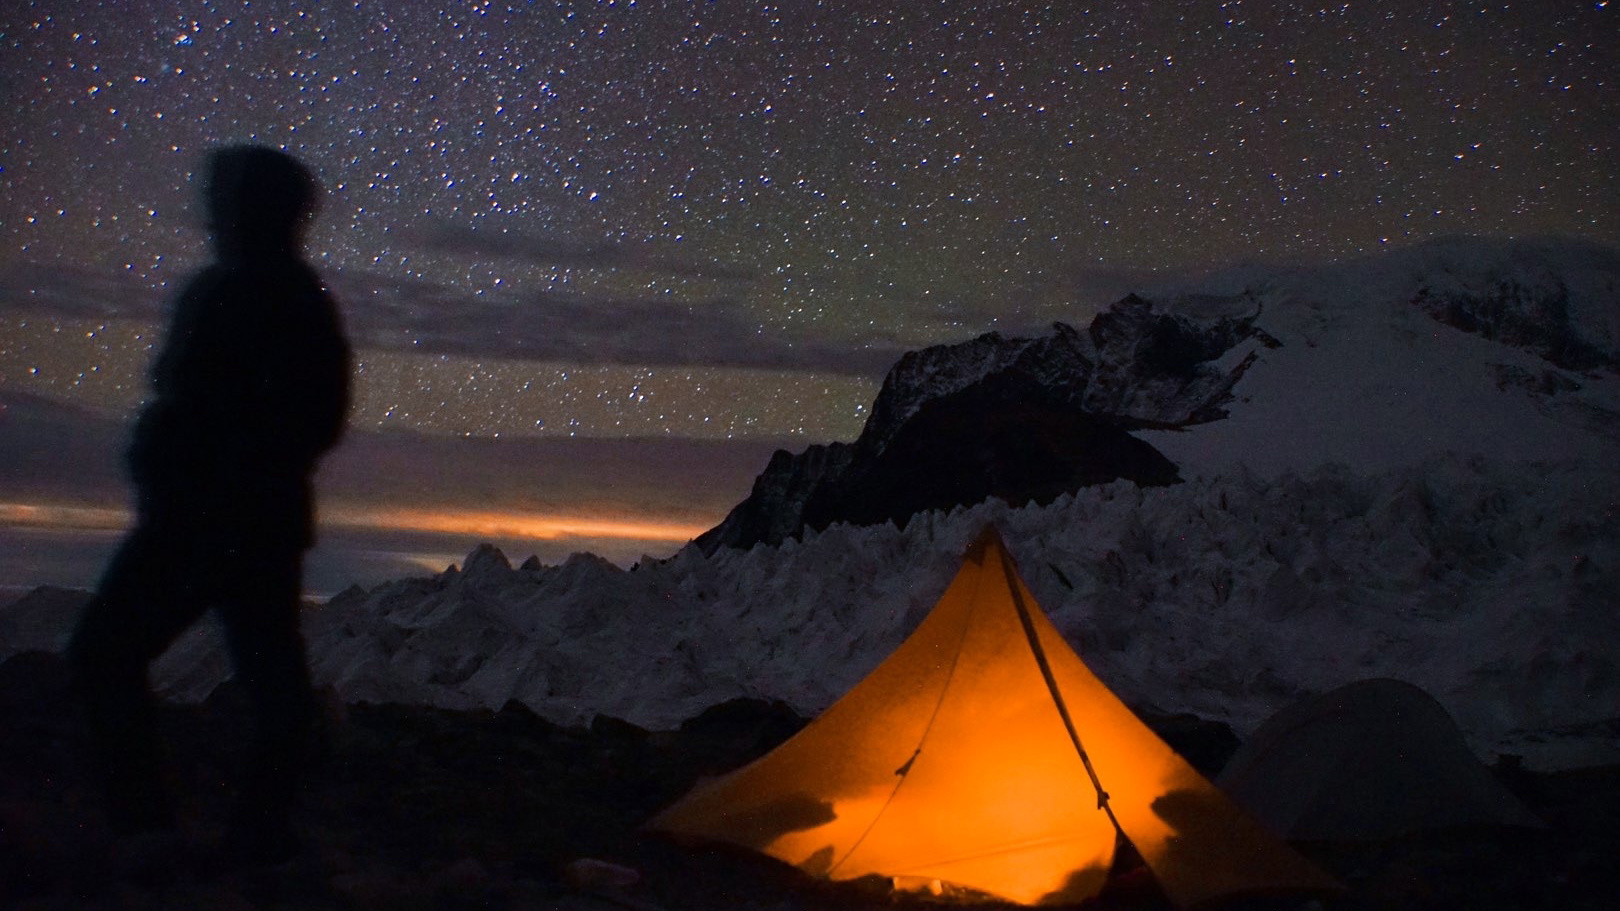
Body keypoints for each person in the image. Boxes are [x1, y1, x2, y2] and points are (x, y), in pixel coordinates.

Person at [68, 145, 351, 861]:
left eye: (229, 200)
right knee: (270, 680)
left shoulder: (255, 297)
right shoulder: (279, 298)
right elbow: (315, 417)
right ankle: (255, 833)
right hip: (249, 523)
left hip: (205, 523)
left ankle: (156, 828)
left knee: (108, 654)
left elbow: (288, 415)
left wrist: (201, 466)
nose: (216, 214)